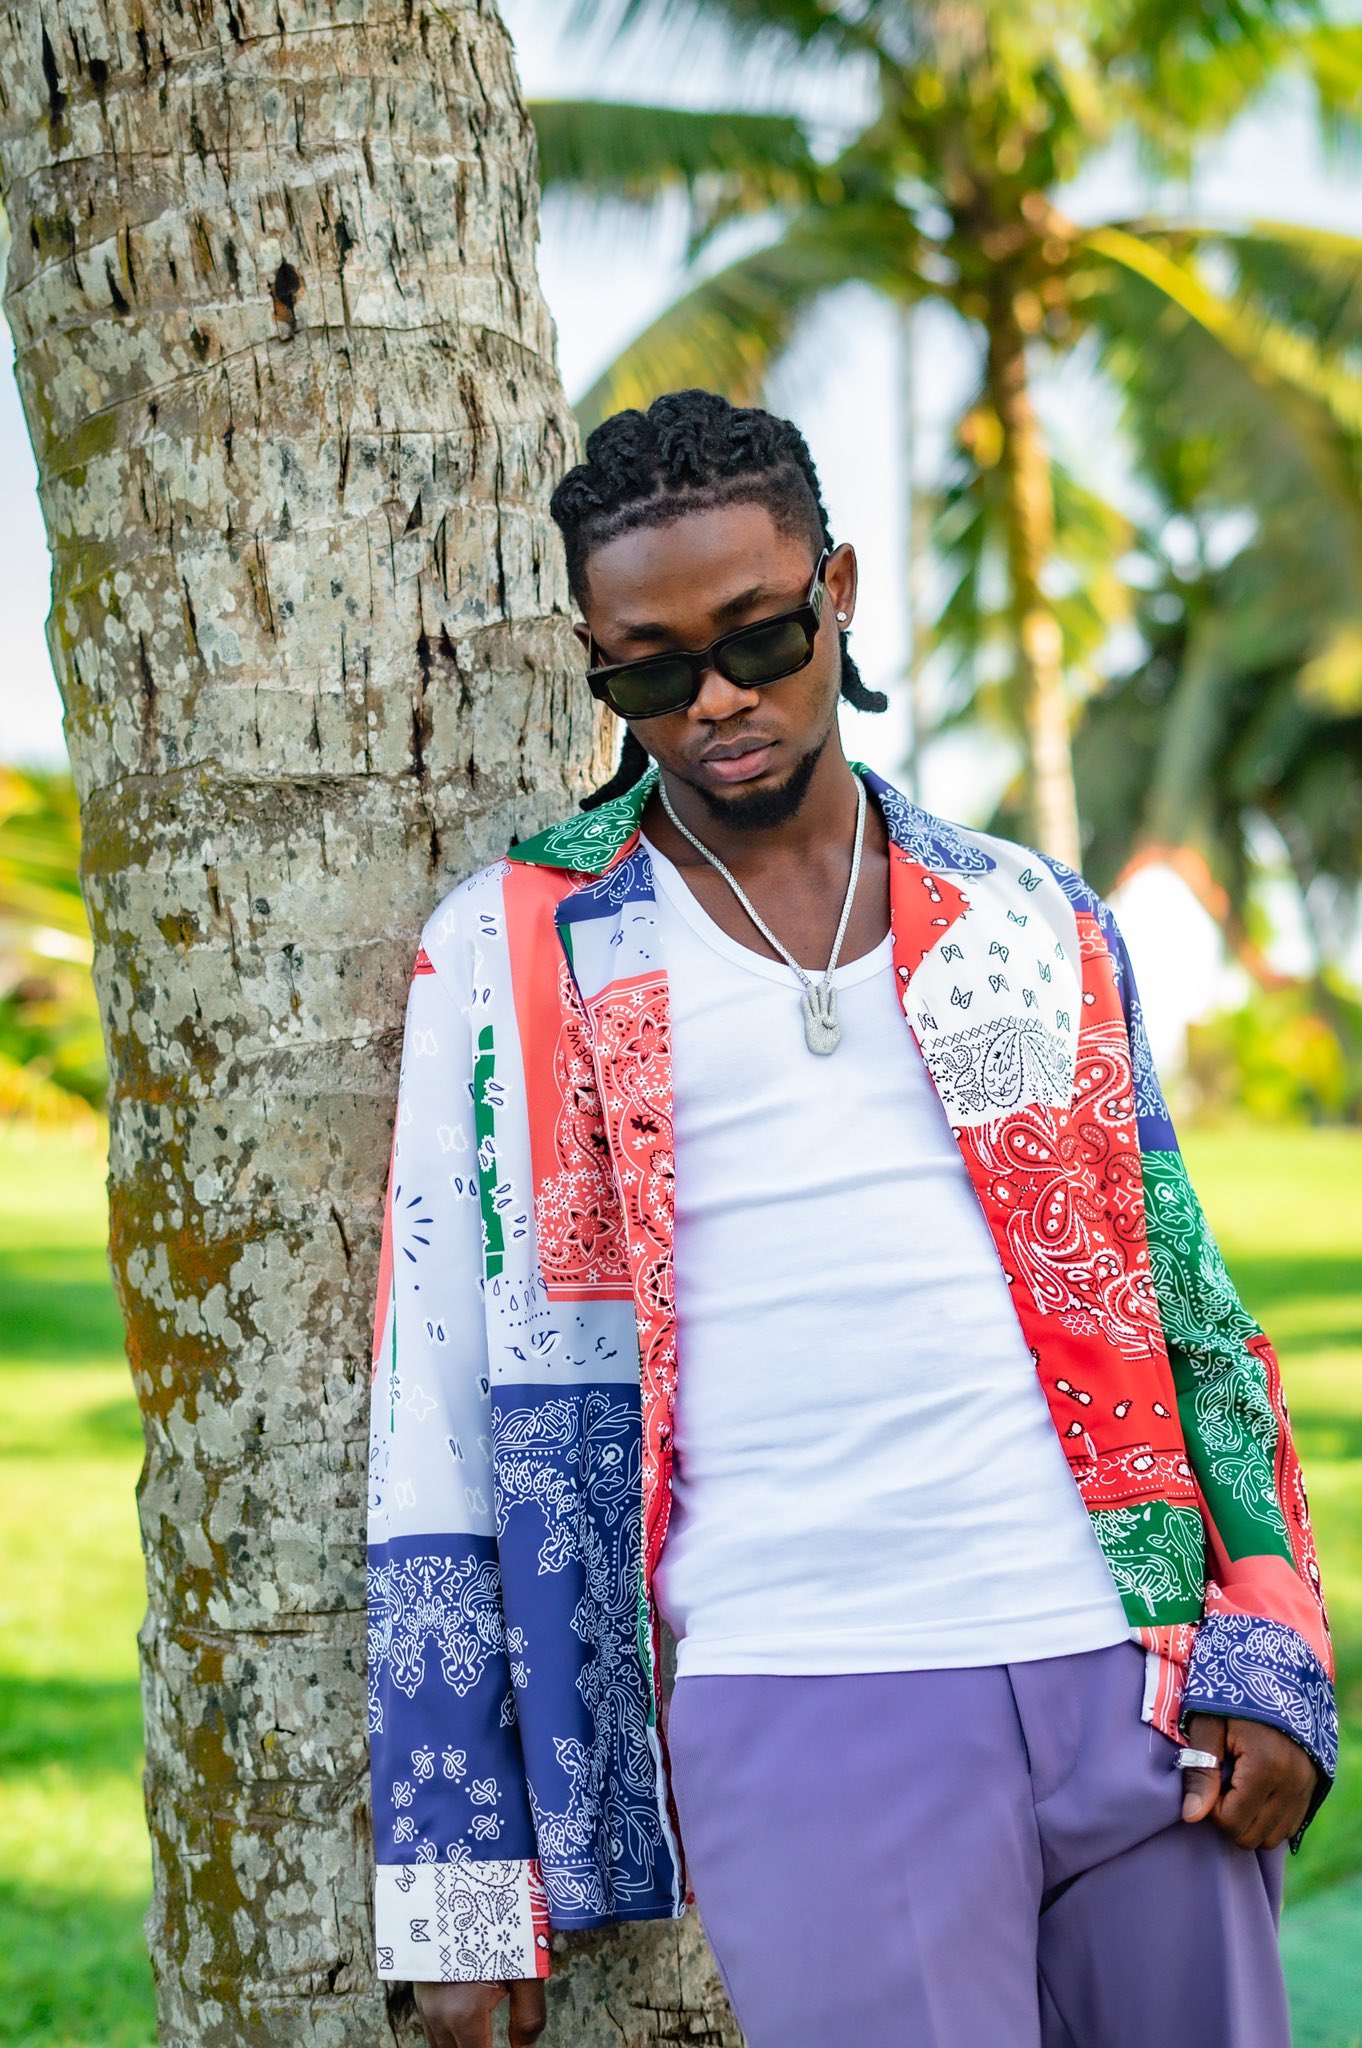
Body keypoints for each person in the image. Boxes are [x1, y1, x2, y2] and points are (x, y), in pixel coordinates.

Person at [365, 390, 1334, 2048]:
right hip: (813, 1706)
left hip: (1136, 1680)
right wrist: (457, 1880)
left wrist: (1276, 1636)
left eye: (760, 638)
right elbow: (437, 1407)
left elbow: (1182, 1303)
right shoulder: (516, 952)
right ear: (596, 667)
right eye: (650, 671)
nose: (717, 702)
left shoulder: (1027, 914)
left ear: (839, 592)